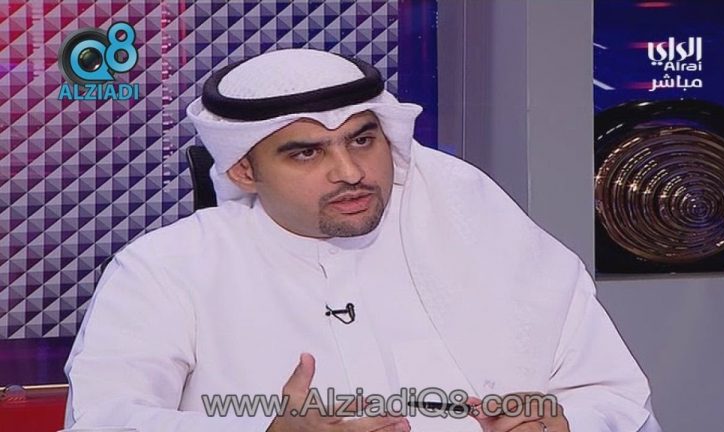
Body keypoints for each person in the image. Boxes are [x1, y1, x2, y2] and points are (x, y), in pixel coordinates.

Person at [63, 48, 662, 432]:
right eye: (306, 153)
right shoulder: (168, 269)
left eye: (362, 139)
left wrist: (565, 423)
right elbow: (103, 418)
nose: (350, 171)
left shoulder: (480, 226)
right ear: (244, 170)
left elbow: (615, 397)